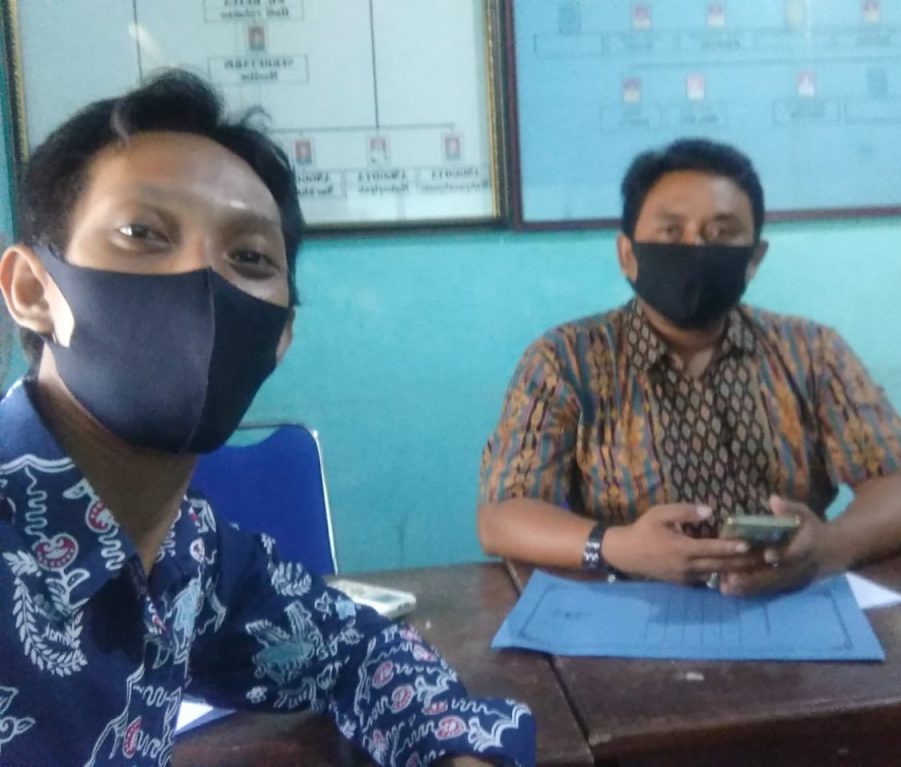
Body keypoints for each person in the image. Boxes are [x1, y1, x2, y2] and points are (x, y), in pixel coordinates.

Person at [0, 71, 533, 767]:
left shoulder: (189, 553)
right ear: (31, 289)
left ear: (280, 336)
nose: (204, 280)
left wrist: (458, 755)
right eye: (143, 233)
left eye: (249, 257)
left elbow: (356, 651)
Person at [478, 138, 901, 595]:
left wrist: (828, 548)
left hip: (785, 603)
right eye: (671, 232)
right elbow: (502, 514)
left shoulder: (812, 352)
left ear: (753, 259)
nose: (695, 249)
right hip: (628, 610)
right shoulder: (564, 360)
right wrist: (615, 546)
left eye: (720, 234)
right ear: (627, 254)